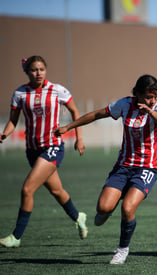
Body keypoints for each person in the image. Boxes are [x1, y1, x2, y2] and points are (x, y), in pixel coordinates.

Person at [55, 74, 157, 264]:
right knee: (103, 208)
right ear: (138, 94)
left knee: (128, 207)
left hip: (148, 166)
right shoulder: (124, 104)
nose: (152, 100)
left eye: (154, 96)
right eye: (148, 96)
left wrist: (150, 109)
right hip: (124, 165)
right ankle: (117, 198)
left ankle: (122, 250)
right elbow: (97, 114)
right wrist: (69, 127)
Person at [0, 55, 88, 248]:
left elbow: (75, 112)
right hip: (32, 150)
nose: (38, 73)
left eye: (41, 69)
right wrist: (4, 134)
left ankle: (16, 236)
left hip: (53, 146)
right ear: (27, 72)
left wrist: (79, 138)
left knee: (27, 189)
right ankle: (78, 216)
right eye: (33, 70)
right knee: (57, 191)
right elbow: (13, 121)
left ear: (45, 70)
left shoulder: (57, 90)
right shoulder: (20, 93)